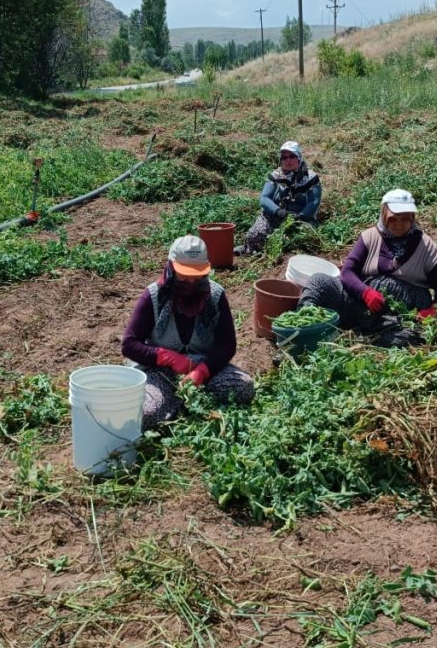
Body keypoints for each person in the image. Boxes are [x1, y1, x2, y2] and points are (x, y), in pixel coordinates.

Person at [122, 235, 255, 430]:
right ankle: (173, 400)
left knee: (244, 387)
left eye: (198, 276)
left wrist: (202, 371)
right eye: (185, 275)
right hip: (161, 373)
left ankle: (176, 403)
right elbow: (129, 345)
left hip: (203, 370)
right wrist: (168, 358)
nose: (191, 282)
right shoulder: (153, 296)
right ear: (171, 267)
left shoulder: (215, 296)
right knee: (145, 415)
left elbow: (227, 345)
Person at [299, 189, 437, 346]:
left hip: (396, 314)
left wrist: (434, 308)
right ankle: (302, 330)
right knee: (318, 281)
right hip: (359, 302)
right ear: (384, 215)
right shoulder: (370, 237)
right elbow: (347, 272)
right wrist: (365, 292)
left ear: (412, 219)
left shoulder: (425, 246)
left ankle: (365, 335)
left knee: (410, 335)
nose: (399, 225)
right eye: (393, 219)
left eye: (404, 219)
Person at [238, 140, 322, 255]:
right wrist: (278, 211)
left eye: (292, 156)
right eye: (284, 157)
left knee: (301, 241)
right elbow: (264, 198)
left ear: (299, 157)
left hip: (302, 218)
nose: (288, 160)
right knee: (255, 235)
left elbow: (314, 200)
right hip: (276, 215)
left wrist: (301, 216)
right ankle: (250, 250)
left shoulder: (311, 177)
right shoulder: (275, 175)